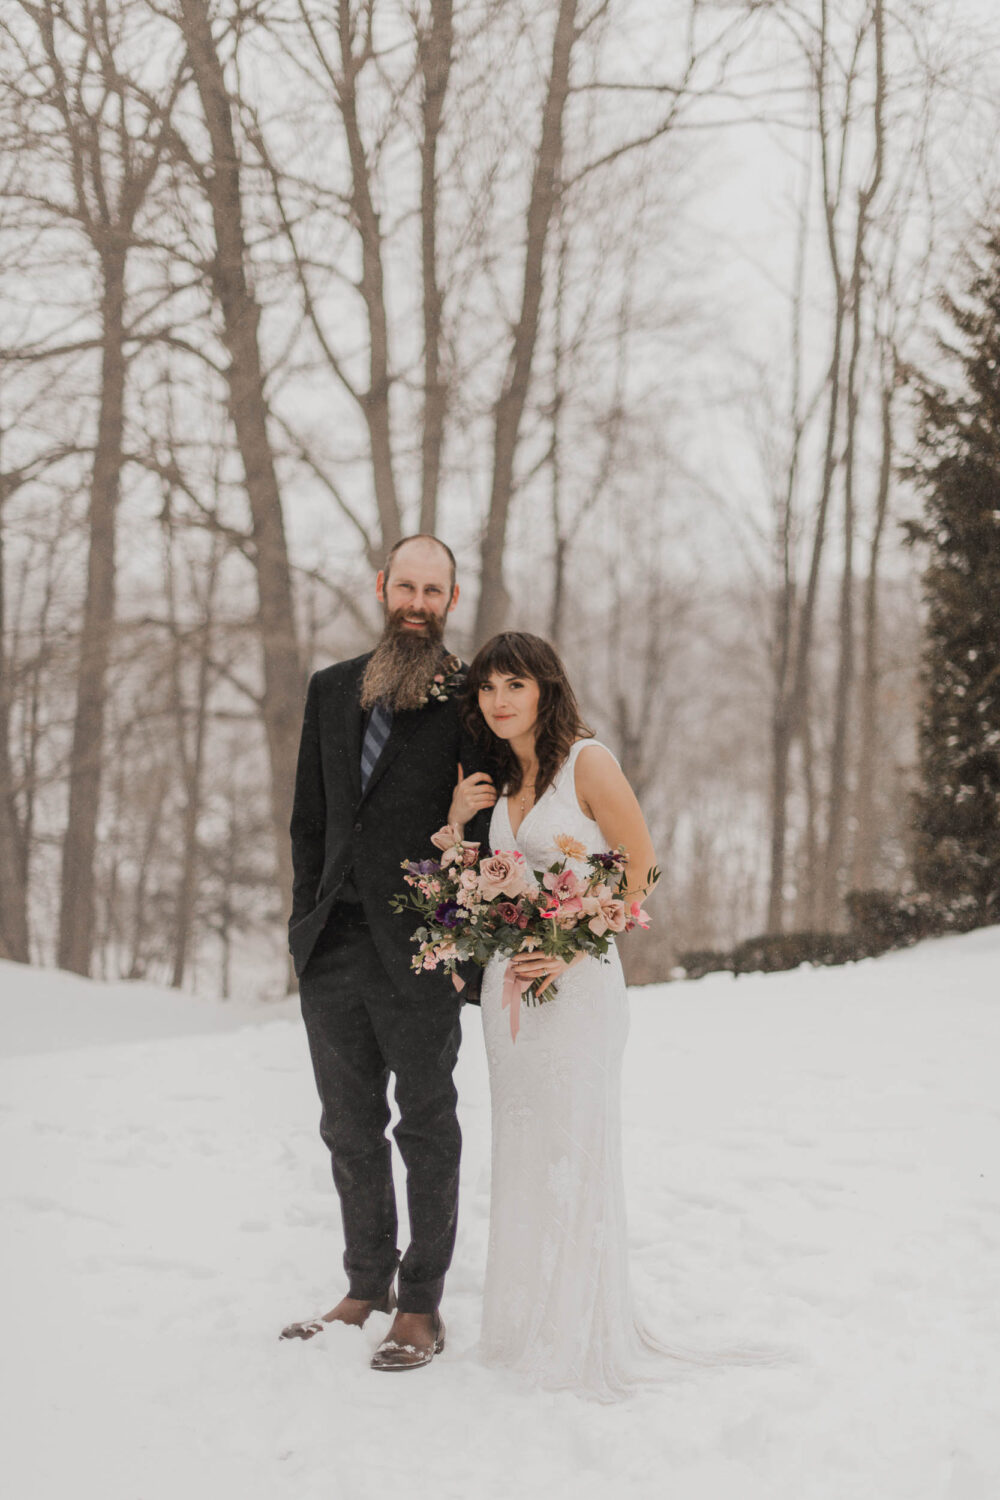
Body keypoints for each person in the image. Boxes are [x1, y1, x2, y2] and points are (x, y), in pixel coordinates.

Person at [280, 535, 496, 1371]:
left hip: (422, 952)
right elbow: (311, 818)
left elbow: (489, 830)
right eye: (404, 584)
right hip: (332, 946)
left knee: (428, 1126)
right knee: (347, 1125)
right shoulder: (333, 689)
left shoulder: (473, 699)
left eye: (432, 589)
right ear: (381, 588)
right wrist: (306, 923)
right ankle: (363, 1283)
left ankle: (422, 1304)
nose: (417, 600)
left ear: (450, 597)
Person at [449, 630, 666, 1401]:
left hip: (578, 986)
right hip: (509, 992)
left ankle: (576, 1328)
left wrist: (574, 945)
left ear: (545, 688)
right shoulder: (499, 779)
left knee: (574, 1144)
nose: (499, 701)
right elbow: (468, 885)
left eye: (514, 685)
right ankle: (522, 1325)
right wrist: (456, 816)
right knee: (523, 1146)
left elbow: (639, 865)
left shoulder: (587, 761)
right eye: (487, 689)